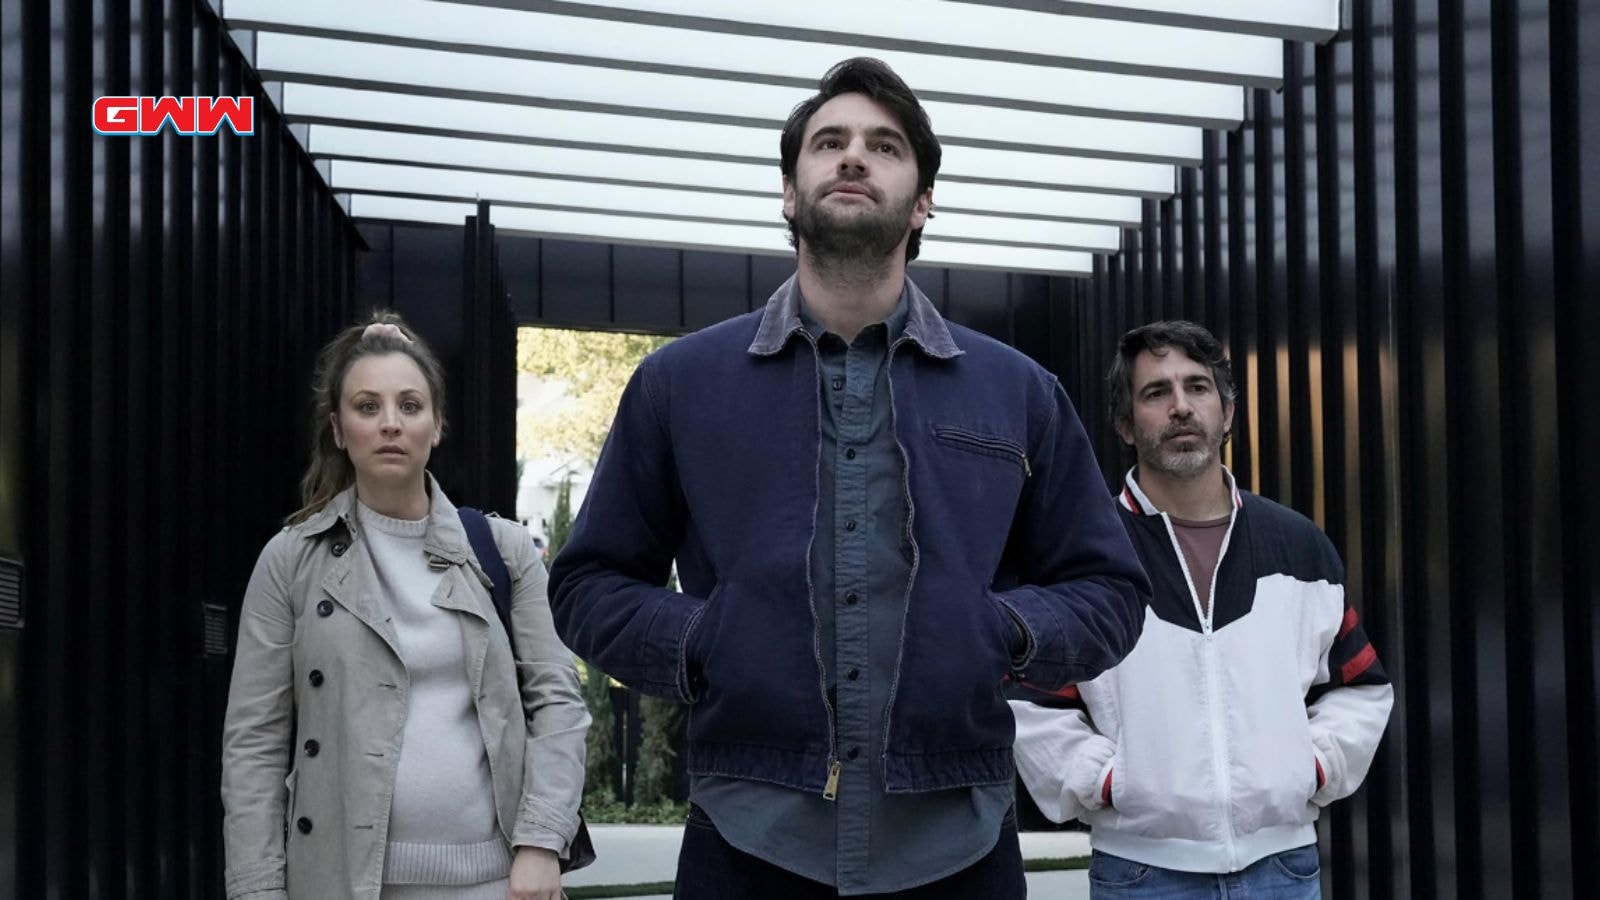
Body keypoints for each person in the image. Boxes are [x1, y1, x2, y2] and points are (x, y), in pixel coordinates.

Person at [548, 57, 1150, 899]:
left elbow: (1110, 588)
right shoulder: (680, 384)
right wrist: (705, 639)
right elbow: (588, 584)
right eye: (829, 142)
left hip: (958, 843)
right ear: (790, 195)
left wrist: (1001, 629)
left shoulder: (1017, 392)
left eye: (885, 145)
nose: (854, 157)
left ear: (924, 201)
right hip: (748, 836)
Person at [1009, 321, 1394, 898]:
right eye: (1156, 393)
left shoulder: (1297, 545)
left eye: (1198, 387)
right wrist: (1110, 782)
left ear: (1227, 413)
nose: (1181, 407)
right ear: (1125, 424)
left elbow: (1360, 686)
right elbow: (1030, 699)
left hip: (1282, 868)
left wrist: (1311, 768)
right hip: (1140, 872)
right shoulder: (1080, 551)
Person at [221, 314, 590, 900]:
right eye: (367, 406)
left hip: (501, 883)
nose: (390, 423)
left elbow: (558, 703)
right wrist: (256, 889)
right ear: (339, 429)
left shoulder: (503, 551)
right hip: (340, 880)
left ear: (437, 425)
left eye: (410, 405)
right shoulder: (291, 560)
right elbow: (254, 741)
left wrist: (544, 842)